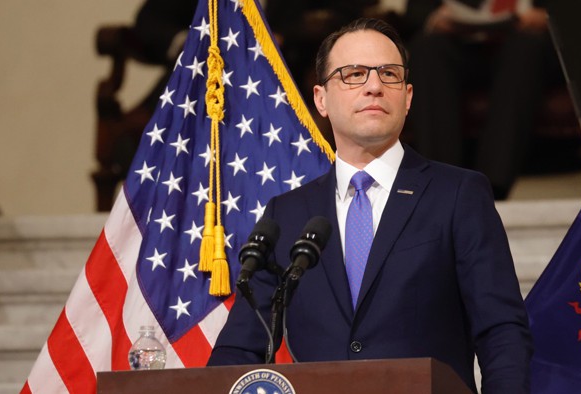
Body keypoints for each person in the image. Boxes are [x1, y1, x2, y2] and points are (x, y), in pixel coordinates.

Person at [207, 18, 532, 393]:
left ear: (407, 97)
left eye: (389, 74)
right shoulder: (287, 214)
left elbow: (501, 331)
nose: (374, 86)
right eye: (354, 74)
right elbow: (239, 349)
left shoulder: (458, 194)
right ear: (321, 99)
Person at [402, 0, 558, 200]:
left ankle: (490, 190)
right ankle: (440, 184)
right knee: (427, 48)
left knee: (525, 49)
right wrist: (435, 20)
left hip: (524, 43)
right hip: (460, 45)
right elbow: (416, 15)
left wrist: (546, 16)